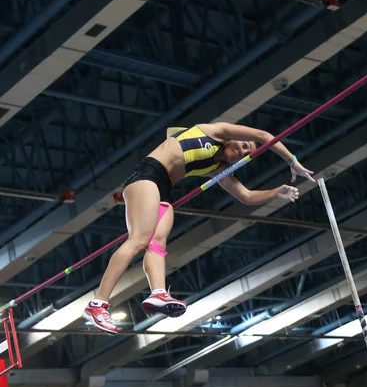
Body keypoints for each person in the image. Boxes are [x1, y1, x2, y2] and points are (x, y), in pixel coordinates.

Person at [83, 122, 314, 333]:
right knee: (139, 240)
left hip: (163, 189)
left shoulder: (217, 166)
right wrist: (293, 162)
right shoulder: (214, 131)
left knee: (157, 244)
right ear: (231, 137)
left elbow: (245, 196)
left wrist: (276, 192)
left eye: (247, 154)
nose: (243, 151)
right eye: (243, 145)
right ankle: (98, 304)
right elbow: (265, 134)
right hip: (147, 176)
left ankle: (158, 294)